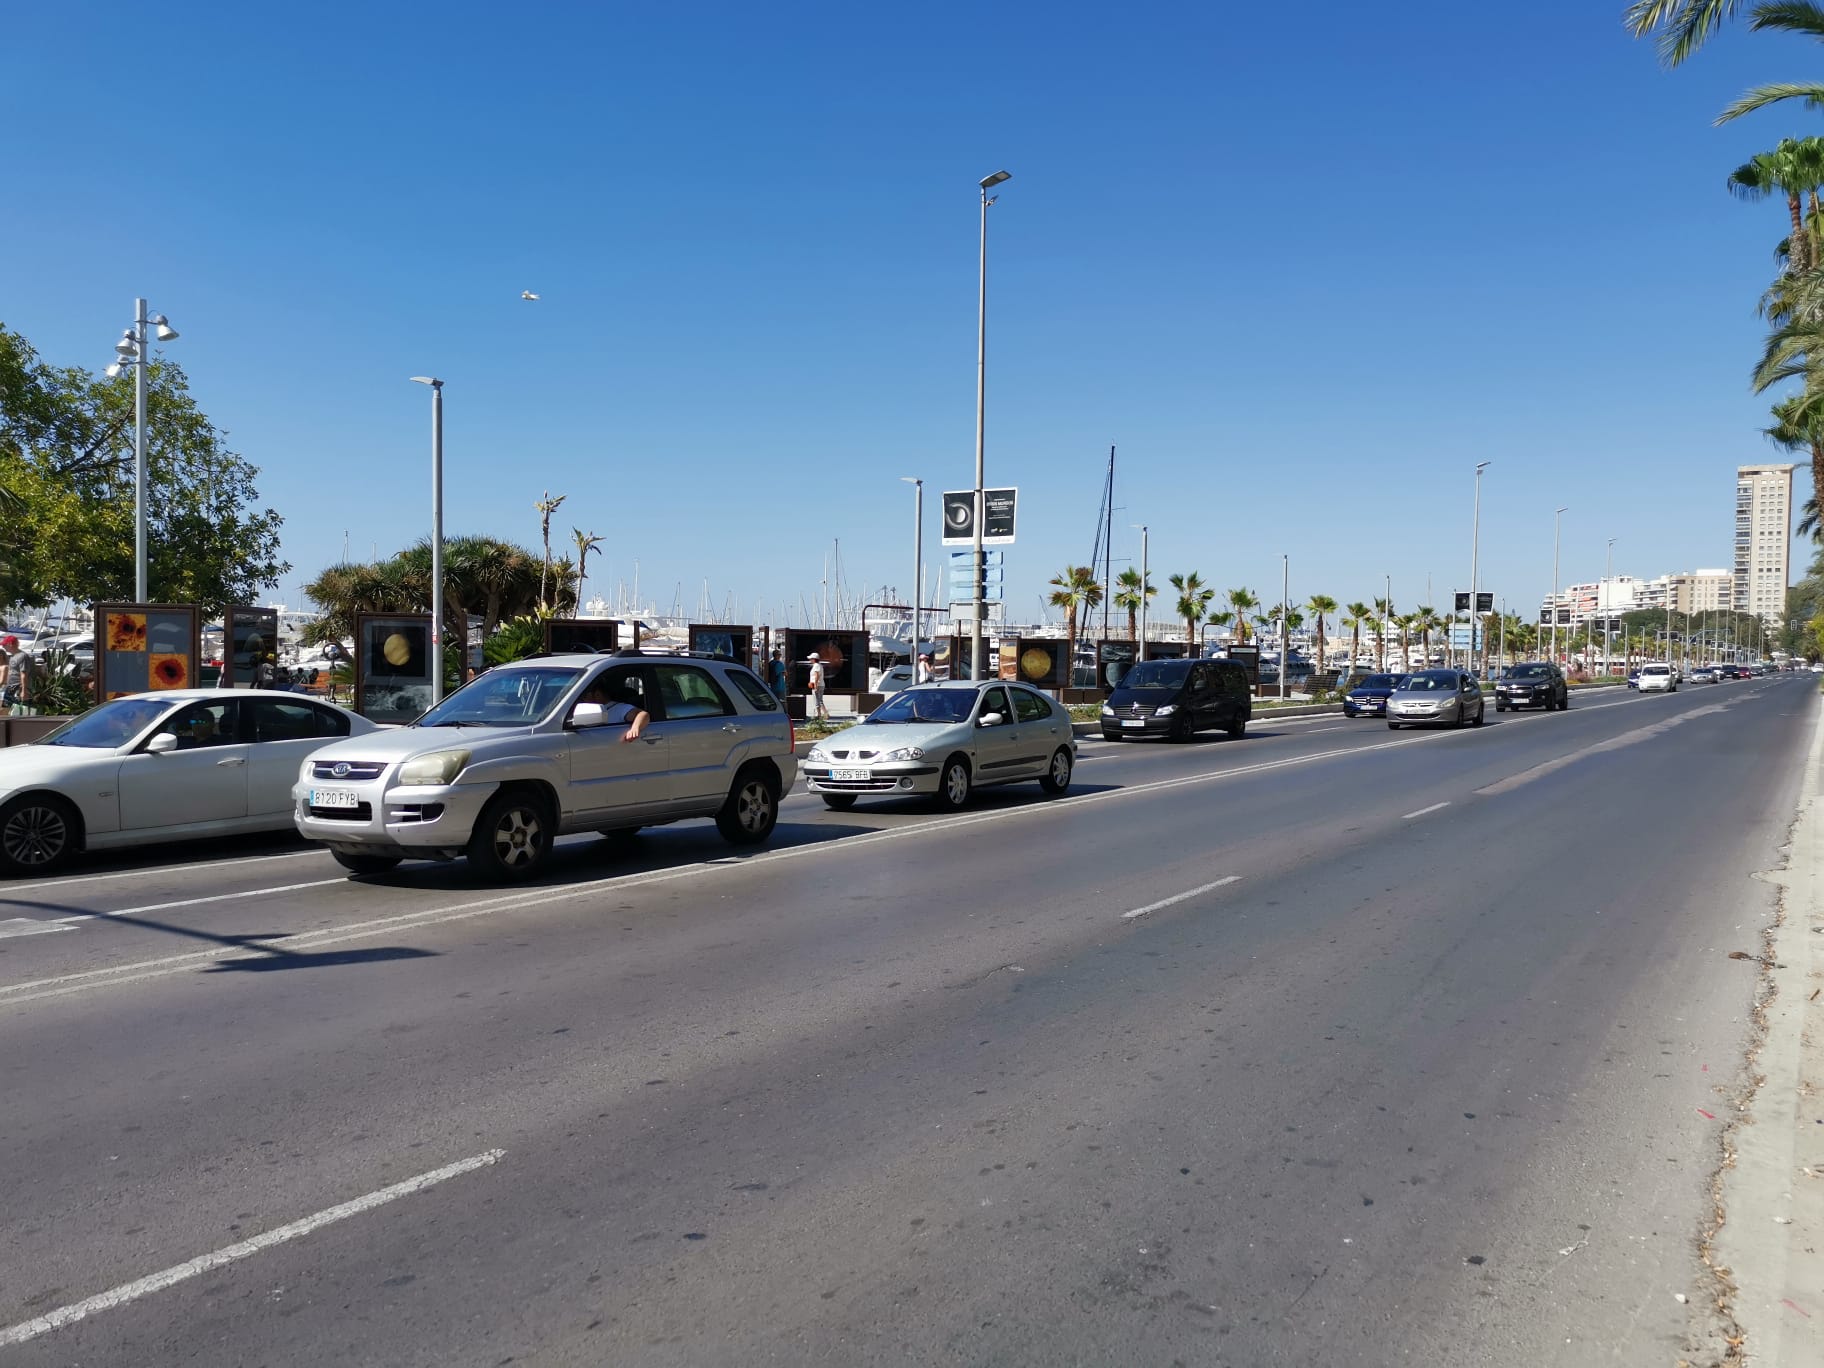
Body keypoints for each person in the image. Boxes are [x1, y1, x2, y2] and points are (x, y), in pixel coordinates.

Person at [580, 675, 651, 743]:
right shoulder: (586, 710)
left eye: (585, 696)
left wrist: (635, 728)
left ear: (597, 694)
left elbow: (642, 714)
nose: (582, 700)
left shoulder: (620, 708)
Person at [807, 652, 828, 720]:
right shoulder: (819, 665)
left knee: (817, 700)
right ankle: (823, 714)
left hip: (817, 685)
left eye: (811, 659)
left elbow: (817, 675)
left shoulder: (816, 665)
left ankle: (821, 715)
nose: (810, 660)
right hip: (820, 684)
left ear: (814, 659)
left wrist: (815, 685)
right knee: (819, 700)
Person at [0, 635, 14, 716]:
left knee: (3, 712)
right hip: (3, 691)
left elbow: (2, 681)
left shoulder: (4, 667)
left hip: (3, 691)